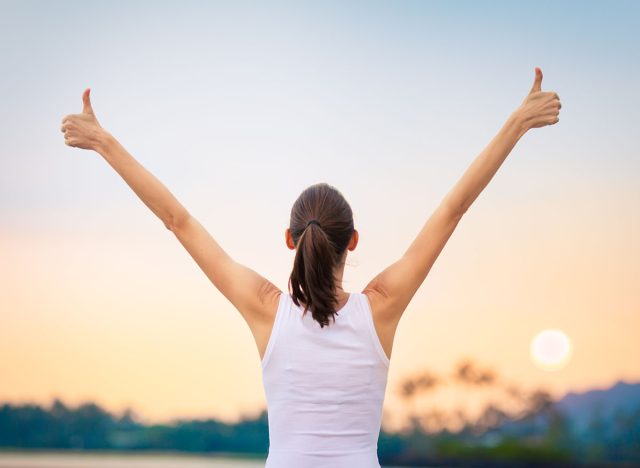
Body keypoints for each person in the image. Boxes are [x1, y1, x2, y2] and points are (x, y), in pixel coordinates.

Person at [60, 67, 561, 467]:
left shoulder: (265, 310)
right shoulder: (380, 309)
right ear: (354, 242)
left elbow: (178, 220)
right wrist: (517, 123)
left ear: (289, 240)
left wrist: (103, 142)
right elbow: (452, 211)